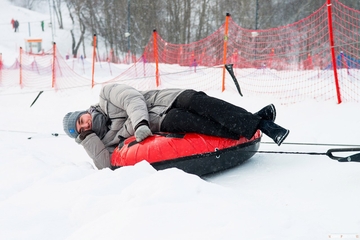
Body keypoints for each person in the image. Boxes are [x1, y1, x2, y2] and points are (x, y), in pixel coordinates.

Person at [63, 84, 289, 169]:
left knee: (206, 105)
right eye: (82, 128)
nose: (86, 123)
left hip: (165, 99)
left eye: (82, 119)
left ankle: (264, 125)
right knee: (205, 126)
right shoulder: (105, 141)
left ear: (84, 112)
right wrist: (88, 139)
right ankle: (258, 120)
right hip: (162, 120)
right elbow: (105, 165)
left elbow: (133, 100)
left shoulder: (106, 95)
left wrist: (140, 122)